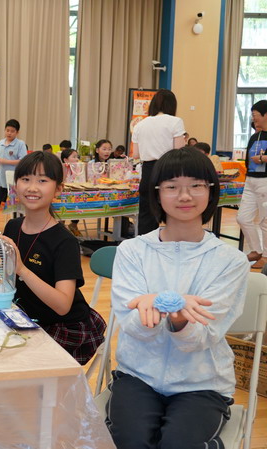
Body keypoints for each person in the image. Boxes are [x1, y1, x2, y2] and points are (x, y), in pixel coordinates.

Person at [107, 147, 249, 449]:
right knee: (131, 442)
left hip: (202, 383)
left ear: (211, 191)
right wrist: (164, 307)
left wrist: (177, 318)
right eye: (172, 187)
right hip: (138, 375)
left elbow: (202, 337)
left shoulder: (230, 261)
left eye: (196, 185)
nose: (185, 196)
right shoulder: (132, 251)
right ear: (157, 193)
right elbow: (132, 326)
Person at [1, 151, 106, 364]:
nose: (32, 187)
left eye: (42, 181)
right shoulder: (12, 226)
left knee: (10, 363)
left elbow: (62, 305)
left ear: (58, 189)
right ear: (16, 185)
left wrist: (22, 270)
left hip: (62, 326)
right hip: (25, 318)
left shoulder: (64, 241)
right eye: (25, 179)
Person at [131, 88, 186, 235]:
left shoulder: (140, 125)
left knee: (147, 215)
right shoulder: (175, 121)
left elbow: (135, 154)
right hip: (168, 170)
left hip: (147, 171)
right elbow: (179, 152)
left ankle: (145, 245)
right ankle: (172, 243)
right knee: (173, 212)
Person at [236, 100, 267, 268]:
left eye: (256, 115)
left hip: (265, 181)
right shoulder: (255, 136)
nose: (253, 118)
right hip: (250, 180)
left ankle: (266, 258)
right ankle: (256, 250)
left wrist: (263, 158)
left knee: (265, 222)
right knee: (242, 218)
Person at [0, 119, 27, 213]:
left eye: (12, 131)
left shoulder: (20, 144)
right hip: (0, 179)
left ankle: (16, 219)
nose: (9, 133)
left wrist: (5, 161)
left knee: (14, 205)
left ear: (17, 132)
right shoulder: (0, 143)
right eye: (7, 130)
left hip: (13, 180)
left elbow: (23, 161)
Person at [60, 148, 82, 235]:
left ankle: (73, 225)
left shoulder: (79, 168)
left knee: (79, 204)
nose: (77, 159)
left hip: (75, 191)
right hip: (64, 193)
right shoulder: (62, 168)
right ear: (65, 160)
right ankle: (61, 227)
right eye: (74, 157)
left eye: (77, 157)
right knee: (63, 207)